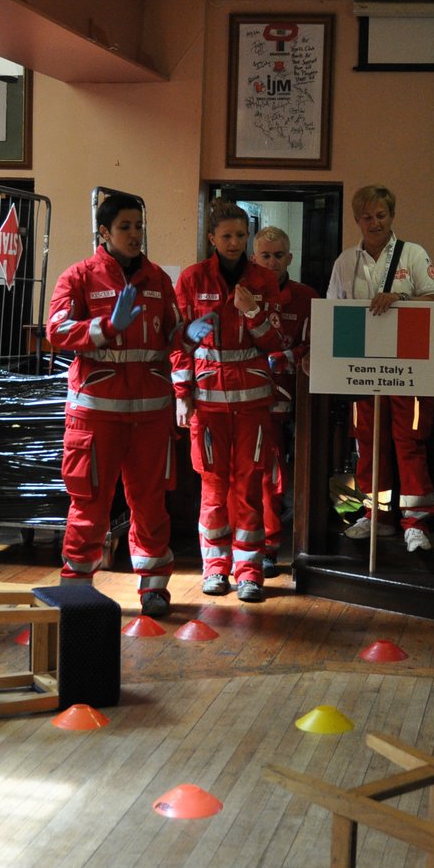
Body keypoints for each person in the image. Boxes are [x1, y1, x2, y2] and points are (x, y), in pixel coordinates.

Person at [48, 193, 182, 616]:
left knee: (150, 503)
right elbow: (57, 331)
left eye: (138, 226)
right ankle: (76, 589)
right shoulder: (79, 277)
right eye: (125, 227)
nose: (135, 235)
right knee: (89, 504)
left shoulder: (158, 278)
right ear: (104, 232)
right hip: (97, 415)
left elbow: (171, 336)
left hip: (150, 416)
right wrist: (106, 327)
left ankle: (154, 589)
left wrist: (191, 334)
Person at [174, 199, 285, 602]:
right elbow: (180, 342)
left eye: (241, 235)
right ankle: (215, 568)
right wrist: (182, 396)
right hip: (207, 404)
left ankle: (250, 572)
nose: (235, 242)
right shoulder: (191, 279)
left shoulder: (265, 279)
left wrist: (253, 312)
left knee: (249, 485)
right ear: (212, 238)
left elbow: (273, 342)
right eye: (227, 236)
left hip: (253, 404)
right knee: (213, 486)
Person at [326, 185, 434, 552]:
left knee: (409, 443)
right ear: (356, 219)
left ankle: (415, 524)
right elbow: (333, 311)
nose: (374, 222)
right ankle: (376, 517)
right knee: (369, 443)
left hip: (409, 366)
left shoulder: (414, 254)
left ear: (391, 217)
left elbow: (432, 298)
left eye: (381, 215)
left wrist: (400, 299)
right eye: (367, 216)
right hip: (362, 369)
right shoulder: (345, 261)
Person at [252, 226, 317, 575]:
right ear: (254, 258)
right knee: (266, 475)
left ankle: (298, 541)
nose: (273, 261)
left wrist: (291, 356)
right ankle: (266, 546)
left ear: (290, 258)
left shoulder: (307, 296)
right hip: (258, 401)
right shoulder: (244, 294)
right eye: (266, 255)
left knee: (298, 474)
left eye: (279, 255)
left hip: (303, 400)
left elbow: (321, 341)